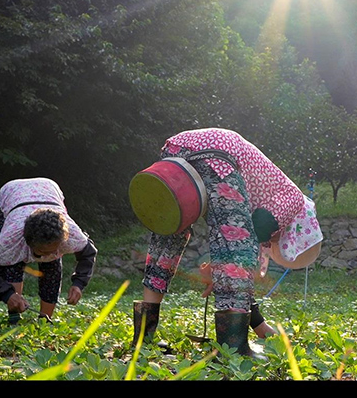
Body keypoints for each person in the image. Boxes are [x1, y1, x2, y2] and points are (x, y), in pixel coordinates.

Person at [130, 128, 323, 357]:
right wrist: (221, 269)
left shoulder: (273, 190)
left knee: (168, 238)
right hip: (218, 157)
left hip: (176, 149)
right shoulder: (294, 199)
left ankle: (143, 340)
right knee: (238, 249)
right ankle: (233, 349)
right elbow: (242, 245)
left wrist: (259, 325)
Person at [0, 177, 98, 324]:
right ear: (28, 242)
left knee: (52, 266)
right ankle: (14, 315)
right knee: (12, 262)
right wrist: (8, 294)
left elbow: (88, 254)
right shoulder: (11, 238)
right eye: (43, 251)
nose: (50, 254)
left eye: (54, 249)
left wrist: (79, 284)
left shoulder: (71, 233)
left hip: (49, 189)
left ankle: (45, 320)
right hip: (11, 194)